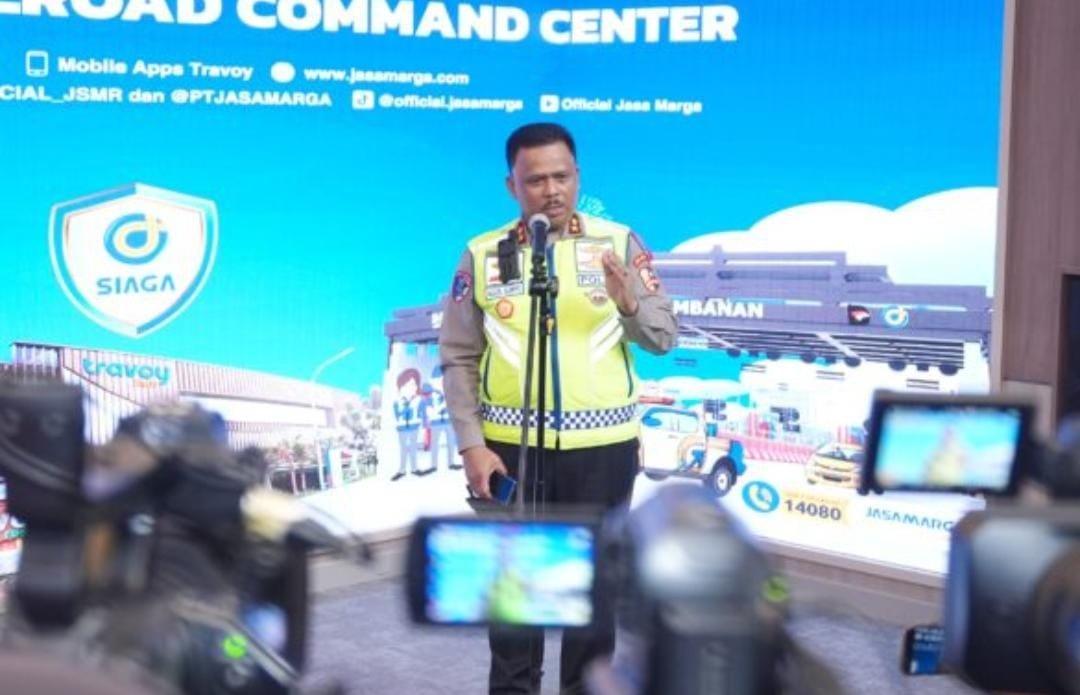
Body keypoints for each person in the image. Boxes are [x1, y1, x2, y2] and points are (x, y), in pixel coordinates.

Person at [438, 122, 677, 695]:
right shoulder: (482, 253)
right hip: (509, 454)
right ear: (512, 186)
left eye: (562, 176)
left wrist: (629, 305)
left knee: (591, 602)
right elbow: (458, 356)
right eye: (536, 180)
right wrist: (472, 445)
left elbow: (664, 337)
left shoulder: (619, 243)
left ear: (578, 176)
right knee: (514, 602)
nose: (552, 191)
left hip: (602, 454)